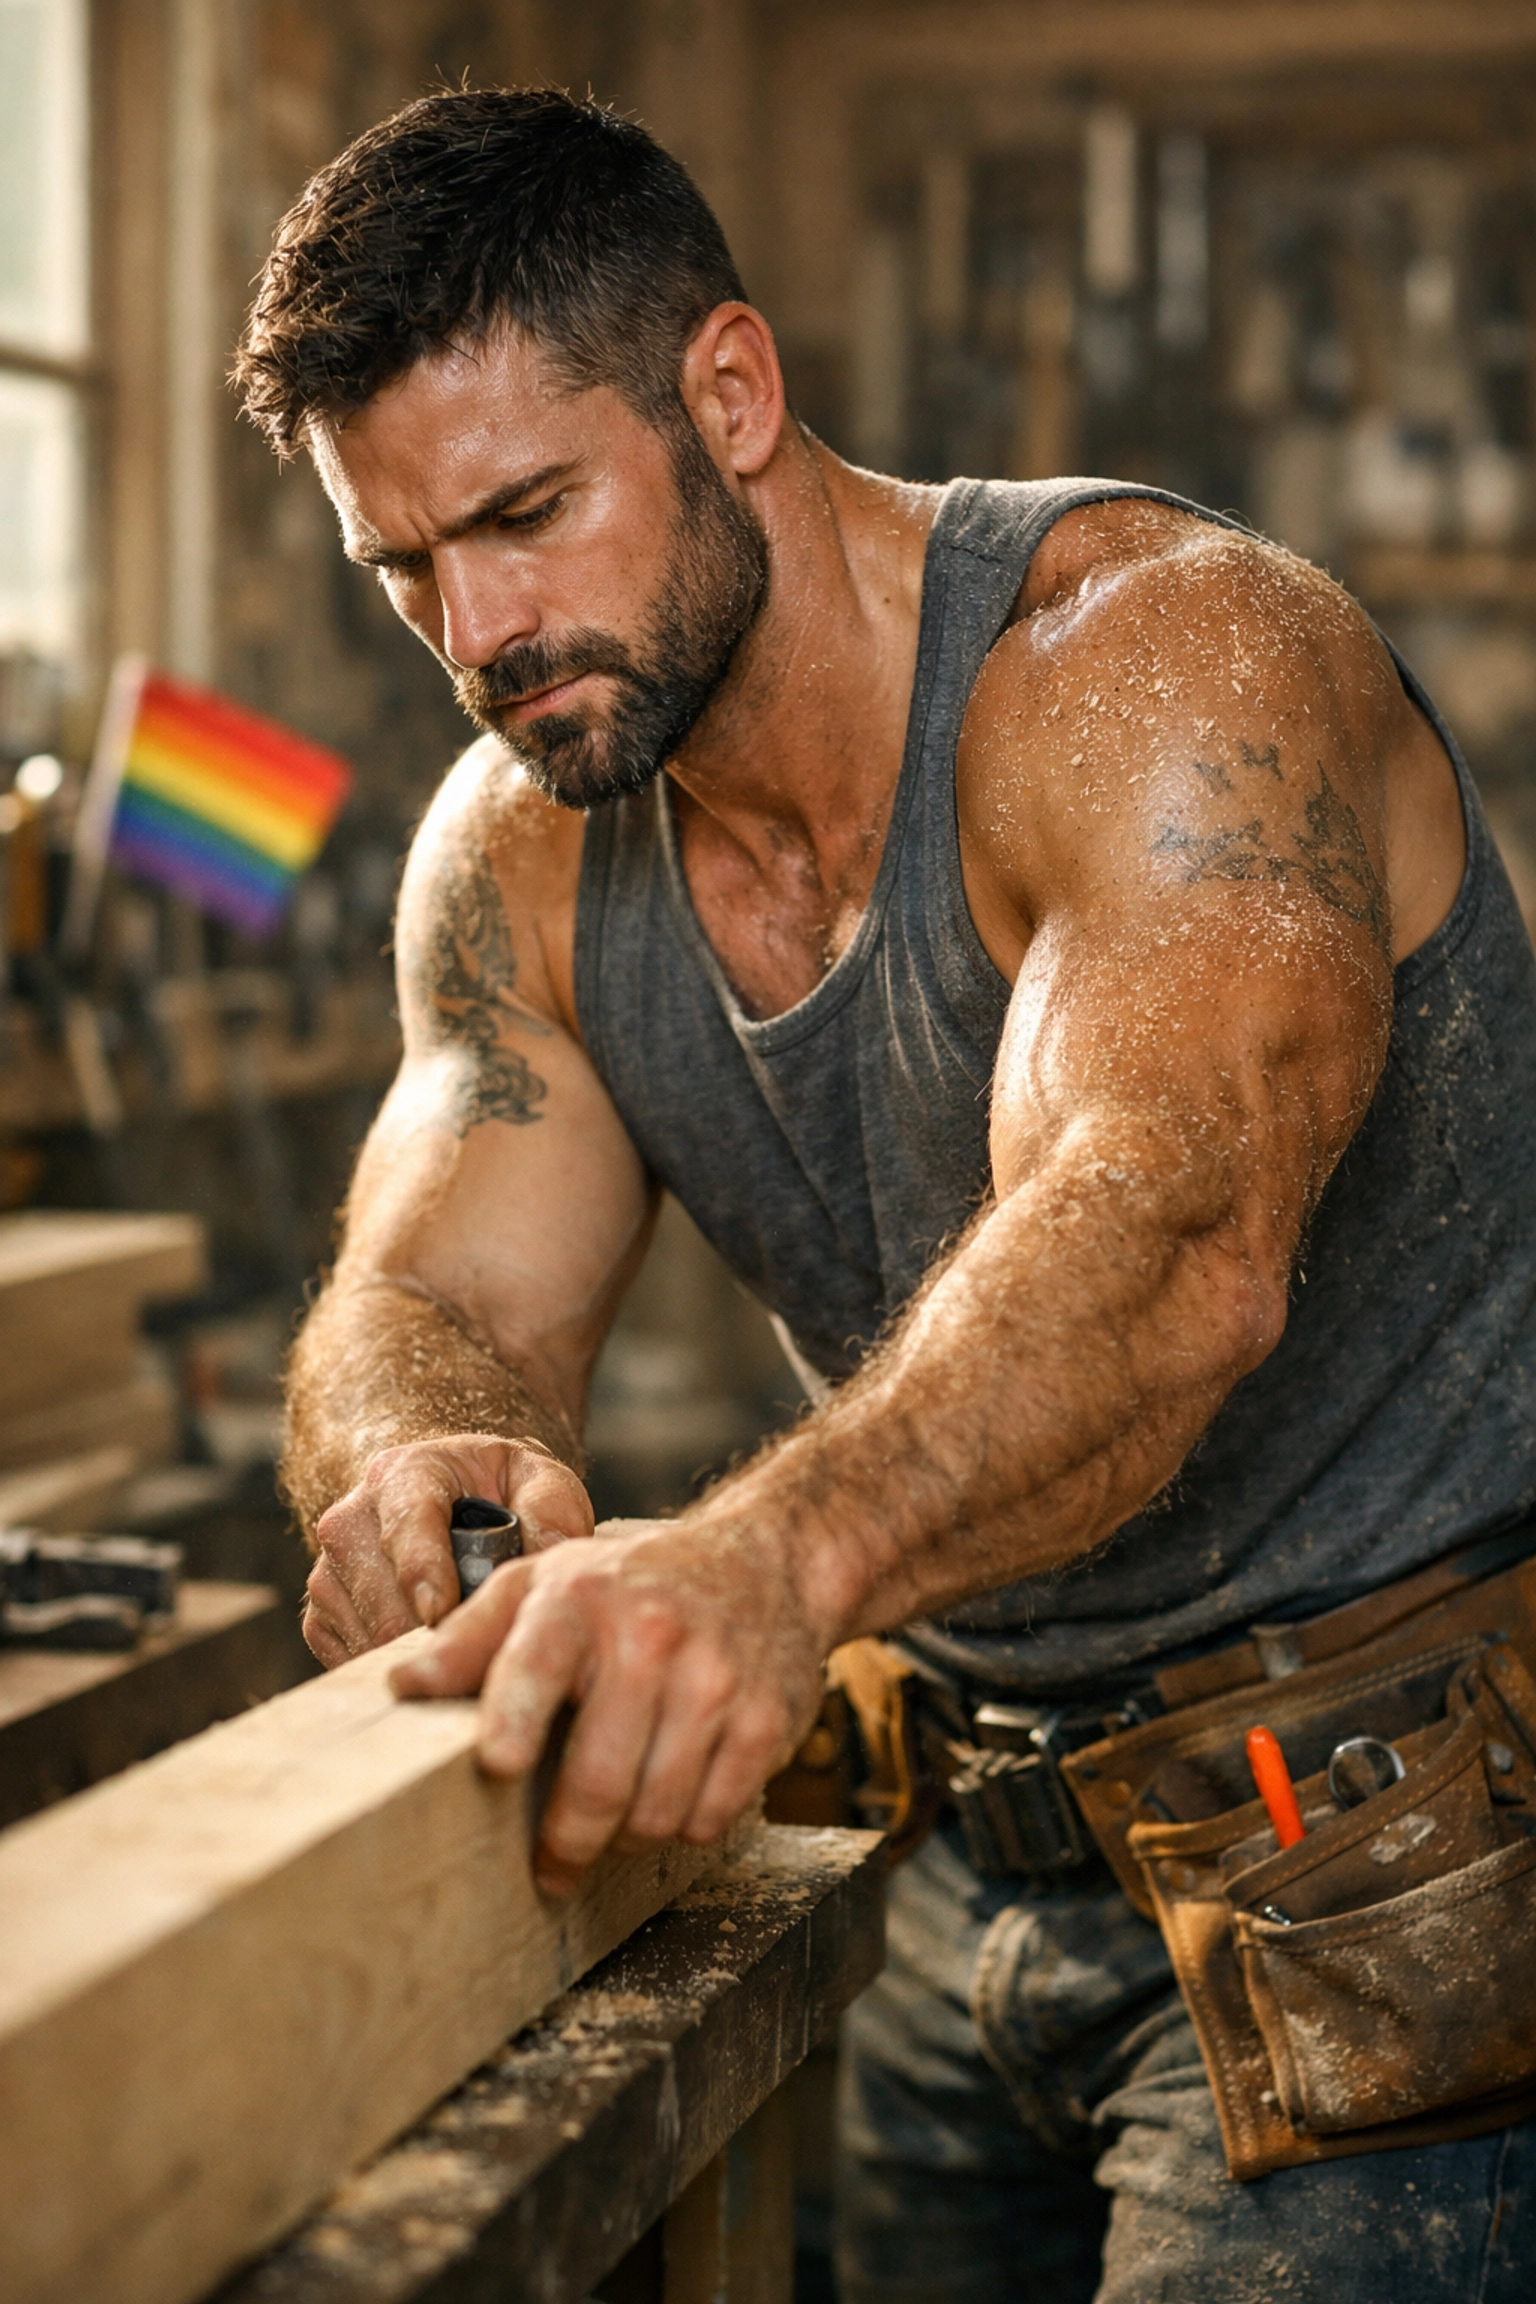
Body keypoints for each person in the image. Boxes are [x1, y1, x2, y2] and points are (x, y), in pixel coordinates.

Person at [236, 89, 1535, 2302]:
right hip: (962, 1872)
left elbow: (1171, 1242)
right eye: (407, 565)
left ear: (729, 393)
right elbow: (427, 1277)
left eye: (529, 514)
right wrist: (408, 1450)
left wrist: (774, 1556)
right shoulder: (524, 842)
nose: (480, 627)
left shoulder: (1156, 669)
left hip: (1392, 1852)